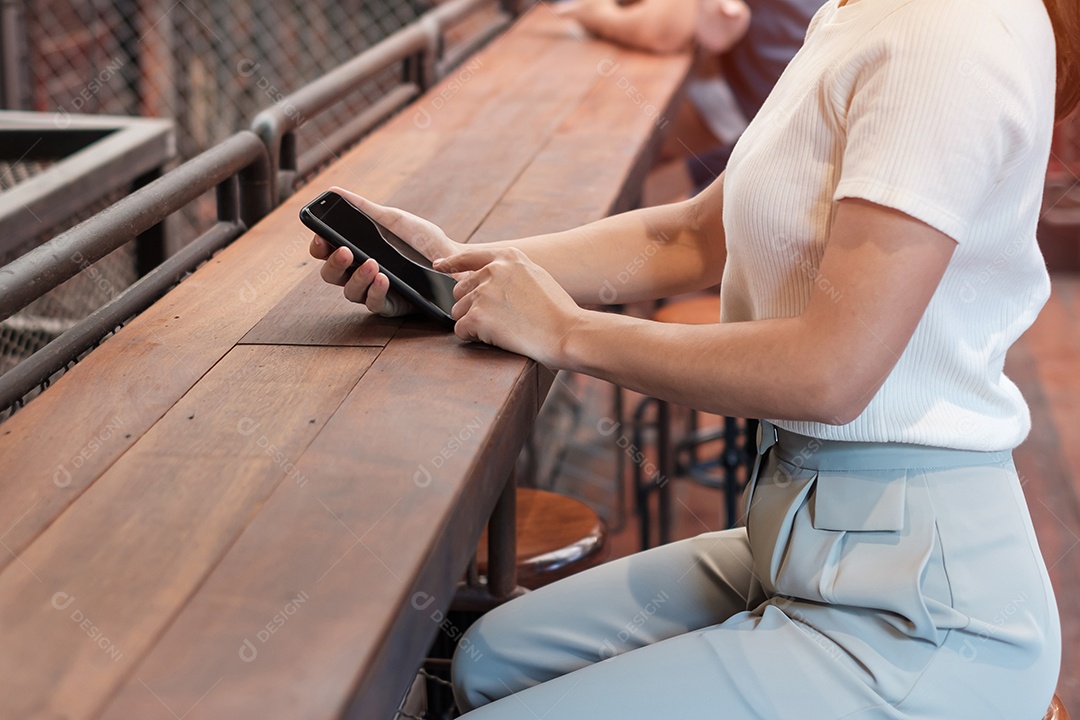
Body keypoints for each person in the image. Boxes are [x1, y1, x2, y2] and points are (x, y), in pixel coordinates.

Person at [308, 0, 1080, 715]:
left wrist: (566, 332)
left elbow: (831, 372)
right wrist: (460, 267)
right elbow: (695, 234)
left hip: (919, 608)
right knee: (483, 662)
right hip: (802, 535)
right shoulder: (862, 11)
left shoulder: (951, 32)